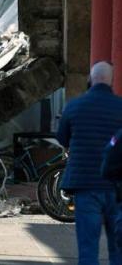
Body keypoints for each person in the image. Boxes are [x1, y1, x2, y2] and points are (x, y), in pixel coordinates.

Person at [57, 61, 122, 265]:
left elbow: (62, 138)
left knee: (87, 247)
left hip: (85, 185)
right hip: (117, 187)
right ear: (111, 81)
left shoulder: (74, 106)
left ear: (90, 80)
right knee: (118, 246)